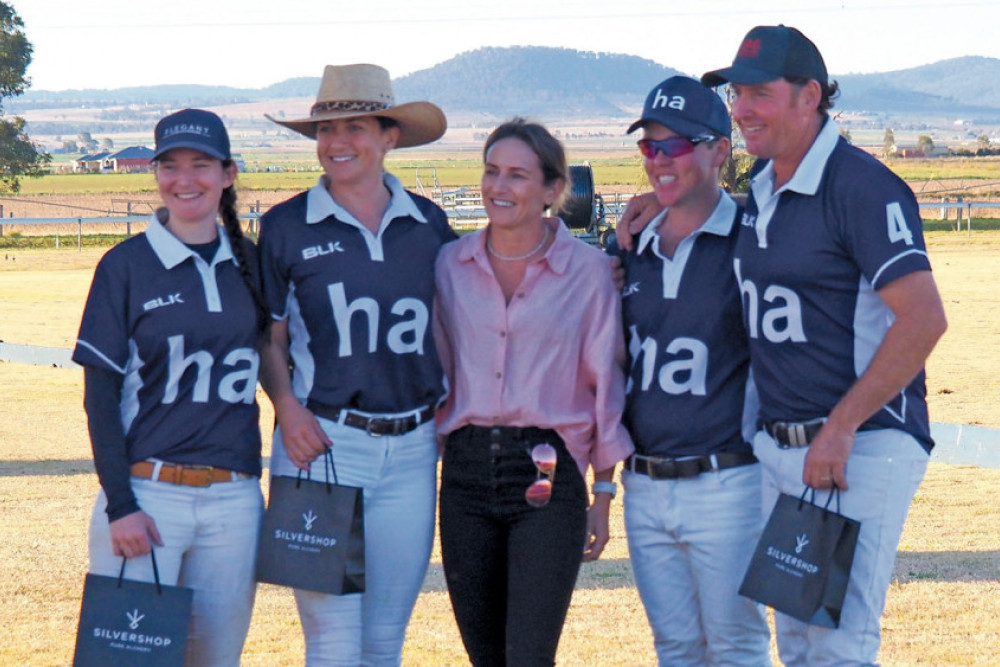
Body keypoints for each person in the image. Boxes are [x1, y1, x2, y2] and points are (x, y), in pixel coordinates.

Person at [680, 25, 944, 666]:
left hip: (857, 445)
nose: (741, 109)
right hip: (787, 450)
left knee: (837, 646)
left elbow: (923, 320)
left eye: (758, 93)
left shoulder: (859, 184)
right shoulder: (764, 186)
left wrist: (842, 427)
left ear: (809, 96)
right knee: (799, 641)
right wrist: (657, 205)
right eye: (736, 93)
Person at [256, 63, 455, 666]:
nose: (337, 143)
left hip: (415, 446)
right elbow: (269, 334)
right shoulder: (287, 226)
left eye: (355, 127)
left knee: (384, 639)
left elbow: (456, 324)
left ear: (389, 136)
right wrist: (286, 408)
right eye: (326, 130)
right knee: (333, 640)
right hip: (321, 442)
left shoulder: (430, 225)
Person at [433, 117, 634, 667]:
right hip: (466, 475)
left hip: (549, 473)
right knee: (485, 656)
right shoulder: (450, 266)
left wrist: (604, 493)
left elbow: (605, 383)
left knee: (528, 658)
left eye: (518, 175)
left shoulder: (590, 274)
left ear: (551, 189)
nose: (499, 186)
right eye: (491, 171)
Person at [73, 108, 270, 666]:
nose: (185, 179)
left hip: (234, 500)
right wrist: (121, 505)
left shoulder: (252, 264)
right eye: (170, 165)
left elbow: (278, 361)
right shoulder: (126, 265)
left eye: (201, 164)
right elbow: (100, 399)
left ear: (228, 174)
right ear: (156, 173)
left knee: (214, 661)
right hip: (147, 496)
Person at [608, 76, 771, 666]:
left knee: (736, 647)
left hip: (729, 482)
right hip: (645, 486)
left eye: (675, 146)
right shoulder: (628, 245)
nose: (659, 160)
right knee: (675, 649)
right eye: (649, 147)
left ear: (719, 152)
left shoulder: (756, 238)